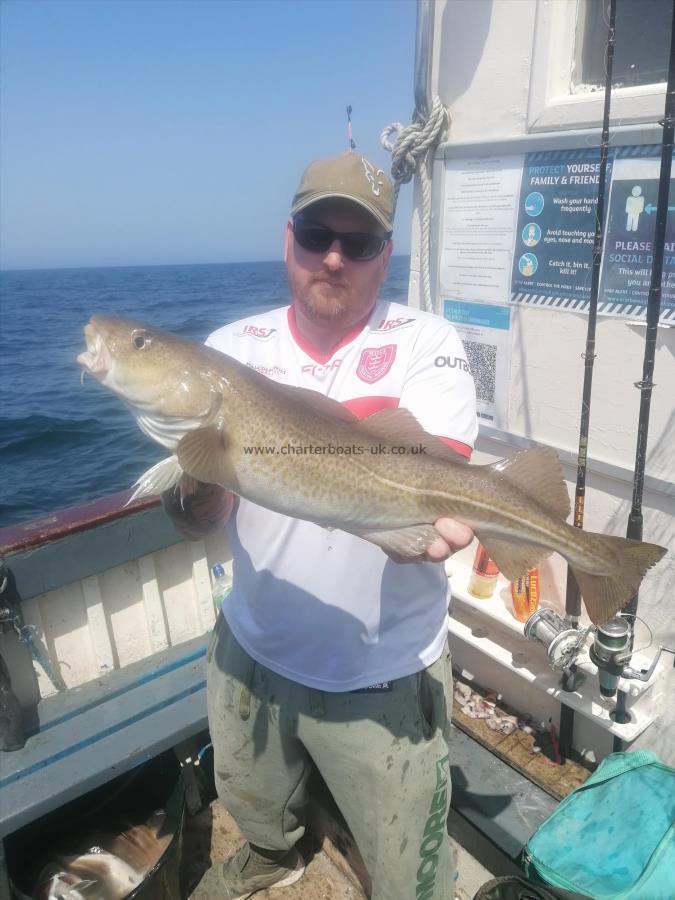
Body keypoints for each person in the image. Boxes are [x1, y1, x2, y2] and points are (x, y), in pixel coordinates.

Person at [165, 151, 478, 900]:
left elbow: (434, 482)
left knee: (411, 875)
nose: (333, 256)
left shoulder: (425, 344)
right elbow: (195, 519)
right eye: (315, 233)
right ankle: (274, 854)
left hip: (380, 671)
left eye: (358, 241)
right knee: (255, 806)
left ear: (384, 255)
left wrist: (420, 520)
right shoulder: (233, 351)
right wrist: (198, 483)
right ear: (287, 238)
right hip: (252, 645)